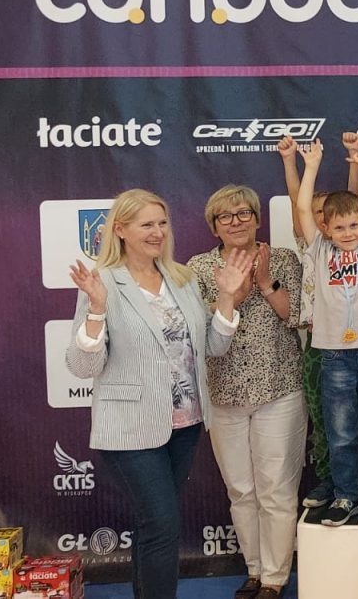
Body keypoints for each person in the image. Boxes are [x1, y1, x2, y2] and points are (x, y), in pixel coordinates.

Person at [66, 188, 249, 599]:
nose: (157, 232)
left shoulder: (181, 278)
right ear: (120, 229)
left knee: (152, 526)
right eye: (146, 224)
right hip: (130, 428)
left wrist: (227, 298)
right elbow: (83, 367)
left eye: (162, 223)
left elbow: (213, 347)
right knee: (163, 525)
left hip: (185, 424)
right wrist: (96, 310)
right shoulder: (103, 283)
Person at [187, 185, 305, 599]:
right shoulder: (199, 267)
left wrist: (265, 281)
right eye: (225, 216)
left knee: (276, 490)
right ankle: (253, 571)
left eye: (243, 213)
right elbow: (197, 327)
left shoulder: (283, 258)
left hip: (279, 388)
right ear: (214, 226)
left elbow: (296, 315)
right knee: (241, 490)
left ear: (257, 218)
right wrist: (233, 294)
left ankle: (275, 578)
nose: (235, 222)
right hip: (224, 394)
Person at [295, 138, 358, 528]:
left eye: (354, 225)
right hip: (335, 356)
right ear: (326, 228)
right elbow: (302, 208)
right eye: (338, 227)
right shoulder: (319, 250)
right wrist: (312, 166)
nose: (348, 232)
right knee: (340, 433)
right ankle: (345, 496)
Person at [277, 135, 337, 511]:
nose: (321, 219)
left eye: (327, 213)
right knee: (321, 416)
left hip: (355, 345)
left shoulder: (356, 247)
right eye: (314, 213)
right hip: (317, 342)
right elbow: (295, 199)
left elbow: (352, 198)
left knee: (356, 420)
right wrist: (290, 162)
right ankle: (327, 479)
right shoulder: (309, 247)